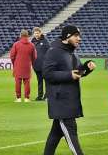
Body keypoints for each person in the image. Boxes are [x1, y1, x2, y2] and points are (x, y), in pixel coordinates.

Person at [43, 25, 96, 155]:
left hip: (69, 100)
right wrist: (69, 75)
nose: (79, 39)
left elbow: (77, 72)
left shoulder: (70, 51)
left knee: (55, 135)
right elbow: (47, 74)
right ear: (67, 37)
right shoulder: (54, 51)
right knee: (71, 134)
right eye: (76, 36)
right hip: (61, 101)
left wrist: (87, 67)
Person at [10, 30, 37, 103]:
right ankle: (27, 98)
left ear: (20, 35)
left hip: (18, 65)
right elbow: (34, 57)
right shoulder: (32, 45)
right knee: (27, 82)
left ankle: (18, 98)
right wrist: (31, 63)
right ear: (28, 35)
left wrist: (14, 63)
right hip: (27, 66)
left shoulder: (16, 44)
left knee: (18, 82)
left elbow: (12, 56)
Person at [32, 27, 50, 101]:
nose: (36, 34)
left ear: (40, 33)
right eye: (35, 33)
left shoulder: (45, 41)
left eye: (37, 33)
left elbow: (49, 52)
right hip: (36, 65)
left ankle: (46, 96)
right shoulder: (32, 42)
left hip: (44, 65)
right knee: (39, 81)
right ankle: (39, 96)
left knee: (46, 81)